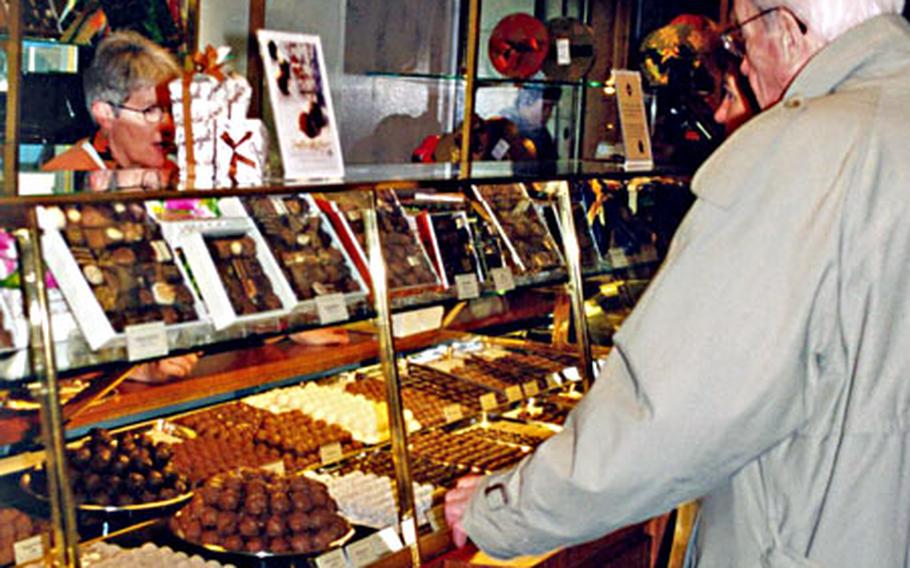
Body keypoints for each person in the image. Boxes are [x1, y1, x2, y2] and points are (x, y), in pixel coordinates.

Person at [446, 1, 910, 566]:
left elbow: (670, 414)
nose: (738, 66)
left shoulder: (805, 147)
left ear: (786, 27)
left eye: (737, 40)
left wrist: (501, 511)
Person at [498, 85, 561, 161]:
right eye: (543, 107)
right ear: (525, 103)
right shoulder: (504, 128)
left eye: (551, 108)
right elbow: (493, 163)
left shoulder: (542, 135)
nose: (548, 114)